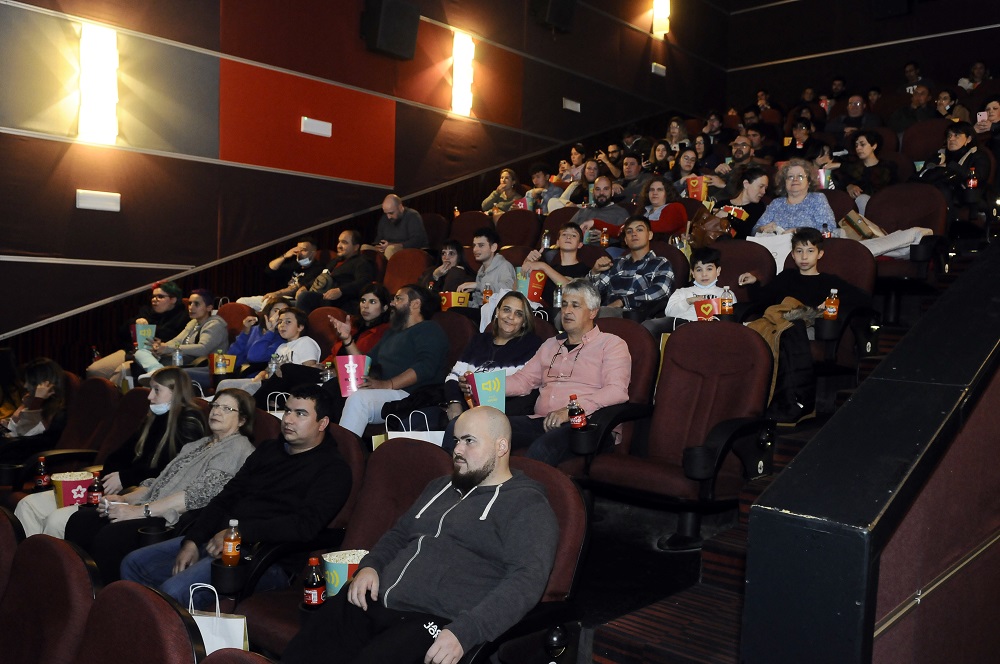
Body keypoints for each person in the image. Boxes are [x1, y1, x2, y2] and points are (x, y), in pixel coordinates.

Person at [282, 406, 558, 664]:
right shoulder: (440, 486)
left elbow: (526, 581)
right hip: (379, 599)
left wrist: (467, 631)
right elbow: (399, 534)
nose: (457, 450)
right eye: (456, 440)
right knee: (302, 652)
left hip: (436, 619)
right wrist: (371, 567)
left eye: (469, 441)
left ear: (501, 447)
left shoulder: (526, 504)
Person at [121, 384, 353, 609]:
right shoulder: (268, 450)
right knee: (133, 563)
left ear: (322, 423)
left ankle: (170, 642)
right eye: (287, 411)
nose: (288, 420)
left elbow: (304, 526)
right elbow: (226, 497)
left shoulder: (333, 469)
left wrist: (238, 533)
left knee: (174, 592)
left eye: (300, 414)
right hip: (218, 540)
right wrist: (192, 540)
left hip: (266, 558)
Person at [64, 388, 255, 582]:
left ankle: (106, 599)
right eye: (215, 405)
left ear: (242, 420)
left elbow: (196, 497)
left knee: (111, 536)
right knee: (81, 520)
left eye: (227, 408)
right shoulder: (198, 444)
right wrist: (123, 499)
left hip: (174, 519)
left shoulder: (237, 448)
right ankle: (77, 589)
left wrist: (136, 512)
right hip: (151, 506)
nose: (216, 411)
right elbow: (160, 482)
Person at [15, 366, 206, 538]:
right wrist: (111, 477)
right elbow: (119, 454)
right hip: (114, 487)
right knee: (28, 505)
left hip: (140, 496)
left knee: (57, 520)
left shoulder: (189, 423)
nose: (150, 397)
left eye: (157, 390)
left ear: (176, 393)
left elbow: (172, 473)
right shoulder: (153, 417)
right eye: (151, 390)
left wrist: (124, 477)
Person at [505, 279, 631, 466]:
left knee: (543, 448)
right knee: (482, 428)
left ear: (593, 312)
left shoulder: (612, 344)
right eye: (564, 305)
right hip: (543, 422)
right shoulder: (550, 345)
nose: (567, 311)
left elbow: (616, 391)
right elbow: (523, 381)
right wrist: (479, 384)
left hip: (587, 426)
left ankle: (523, 495)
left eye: (575, 305)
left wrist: (571, 411)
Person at [338, 285, 450, 437]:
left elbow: (425, 367)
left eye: (398, 298)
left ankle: (344, 455)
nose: (392, 303)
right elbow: (365, 362)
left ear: (415, 304)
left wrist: (387, 384)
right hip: (388, 392)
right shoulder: (393, 332)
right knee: (338, 390)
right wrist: (348, 339)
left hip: (411, 395)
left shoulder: (429, 329)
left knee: (359, 400)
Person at [442, 292, 542, 434]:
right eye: (506, 310)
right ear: (497, 312)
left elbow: (528, 392)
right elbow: (454, 376)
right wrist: (454, 403)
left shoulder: (532, 345)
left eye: (519, 314)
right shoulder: (478, 341)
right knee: (424, 419)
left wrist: (481, 410)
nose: (511, 317)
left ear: (524, 322)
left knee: (456, 428)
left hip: (504, 416)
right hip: (466, 407)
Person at [738, 228, 870, 312]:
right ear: (793, 255)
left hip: (810, 328)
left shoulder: (828, 281)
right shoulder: (786, 277)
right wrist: (754, 282)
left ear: (820, 254)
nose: (804, 256)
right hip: (781, 326)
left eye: (810, 251)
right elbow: (762, 299)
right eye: (799, 251)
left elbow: (862, 297)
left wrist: (833, 302)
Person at [86, 281, 189, 384]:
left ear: (173, 299)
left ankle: (113, 398)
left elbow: (171, 337)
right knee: (94, 370)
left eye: (160, 297)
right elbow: (122, 332)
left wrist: (150, 328)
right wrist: (135, 323)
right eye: (153, 297)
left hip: (157, 355)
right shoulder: (146, 311)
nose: (154, 300)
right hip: (132, 350)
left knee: (121, 372)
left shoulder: (183, 316)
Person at [216, 307, 321, 396]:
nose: (282, 325)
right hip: (270, 382)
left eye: (288, 322)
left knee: (248, 388)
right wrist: (263, 373)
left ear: (300, 327)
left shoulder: (306, 342)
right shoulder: (282, 346)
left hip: (287, 388)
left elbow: (309, 373)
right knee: (224, 384)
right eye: (280, 322)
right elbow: (265, 366)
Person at [588, 216, 674, 319]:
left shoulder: (660, 263)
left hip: (637, 317)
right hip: (608, 314)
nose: (634, 234)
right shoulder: (617, 263)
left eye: (639, 229)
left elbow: (661, 291)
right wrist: (595, 272)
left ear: (650, 235)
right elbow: (592, 295)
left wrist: (623, 301)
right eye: (629, 232)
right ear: (626, 239)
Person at [132, 289, 228, 376]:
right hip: (183, 361)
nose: (191, 307)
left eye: (196, 304)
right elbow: (177, 341)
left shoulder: (215, 324)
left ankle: (158, 373)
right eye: (190, 303)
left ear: (209, 308)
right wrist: (159, 347)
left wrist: (167, 348)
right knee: (141, 352)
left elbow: (203, 349)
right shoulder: (193, 322)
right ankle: (157, 370)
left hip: (201, 368)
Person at [644, 246, 734, 334]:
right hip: (685, 329)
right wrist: (689, 301)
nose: (704, 274)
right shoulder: (681, 292)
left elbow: (732, 321)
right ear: (692, 273)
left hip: (716, 331)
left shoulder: (726, 294)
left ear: (718, 271)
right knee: (650, 325)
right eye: (699, 270)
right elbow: (669, 313)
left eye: (709, 269)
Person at [917, 121, 992, 220]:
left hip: (963, 197)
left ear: (968, 139)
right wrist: (934, 164)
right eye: (949, 136)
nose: (951, 139)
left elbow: (978, 177)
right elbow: (922, 175)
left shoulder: (978, 156)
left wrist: (950, 166)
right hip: (932, 194)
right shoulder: (940, 155)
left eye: (956, 135)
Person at [0, 358, 68, 463]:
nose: (25, 386)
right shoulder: (38, 405)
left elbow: (25, 434)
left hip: (25, 460)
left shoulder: (56, 414)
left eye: (30, 382)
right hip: (16, 451)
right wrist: (25, 404)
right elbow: (17, 428)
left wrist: (36, 401)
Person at [296, 229, 376, 314]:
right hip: (323, 296)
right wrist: (305, 287)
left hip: (341, 302)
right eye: (339, 242)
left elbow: (364, 282)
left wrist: (341, 290)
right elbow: (322, 276)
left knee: (305, 297)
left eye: (344, 242)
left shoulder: (362, 262)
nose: (339, 245)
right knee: (286, 305)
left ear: (356, 247)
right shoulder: (335, 261)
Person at [237, 237, 324, 311]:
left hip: (292, 300)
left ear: (314, 252)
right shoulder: (294, 265)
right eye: (298, 250)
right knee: (241, 302)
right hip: (278, 298)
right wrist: (285, 256)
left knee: (269, 304)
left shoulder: (317, 268)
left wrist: (276, 294)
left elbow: (297, 287)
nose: (299, 253)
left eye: (304, 250)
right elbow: (270, 270)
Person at [755, 159, 836, 234]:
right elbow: (755, 230)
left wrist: (797, 231)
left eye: (800, 176)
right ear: (784, 182)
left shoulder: (817, 199)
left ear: (809, 181)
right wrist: (762, 229)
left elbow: (829, 228)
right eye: (790, 177)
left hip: (806, 246)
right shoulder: (776, 203)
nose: (795, 179)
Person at [520, 222, 591, 306]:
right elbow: (522, 289)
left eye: (574, 235)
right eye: (564, 234)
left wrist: (543, 266)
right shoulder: (550, 269)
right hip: (543, 313)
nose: (568, 237)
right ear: (557, 242)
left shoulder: (585, 269)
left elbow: (573, 290)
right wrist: (527, 262)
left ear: (580, 244)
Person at [833, 131, 898, 215]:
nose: (858, 148)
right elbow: (841, 183)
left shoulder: (888, 166)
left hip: (882, 206)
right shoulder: (852, 167)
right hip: (856, 209)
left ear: (874, 146)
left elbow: (890, 189)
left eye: (862, 144)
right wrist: (849, 186)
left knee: (862, 198)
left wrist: (841, 165)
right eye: (856, 145)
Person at [324, 283, 392, 362]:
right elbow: (334, 355)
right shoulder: (352, 324)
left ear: (384, 308)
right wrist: (322, 366)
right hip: (332, 370)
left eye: (372, 302)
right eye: (363, 301)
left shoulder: (385, 332)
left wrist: (348, 340)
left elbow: (365, 366)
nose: (365, 306)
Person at [225, 298, 289, 377]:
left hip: (256, 379)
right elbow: (231, 358)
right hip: (236, 374)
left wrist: (270, 331)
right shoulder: (254, 329)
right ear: (267, 312)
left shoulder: (282, 338)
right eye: (275, 311)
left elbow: (254, 357)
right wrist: (245, 333)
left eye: (283, 312)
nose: (278, 316)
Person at [457, 227, 517, 308]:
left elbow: (508, 290)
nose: (475, 249)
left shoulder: (504, 266)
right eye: (474, 245)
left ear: (493, 247)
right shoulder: (481, 270)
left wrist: (477, 285)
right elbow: (477, 302)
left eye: (481, 245)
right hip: (482, 310)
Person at [713, 166, 769, 240]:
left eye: (765, 188)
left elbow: (748, 232)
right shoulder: (721, 204)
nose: (763, 192)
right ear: (746, 184)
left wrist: (728, 216)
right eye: (761, 186)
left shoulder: (758, 208)